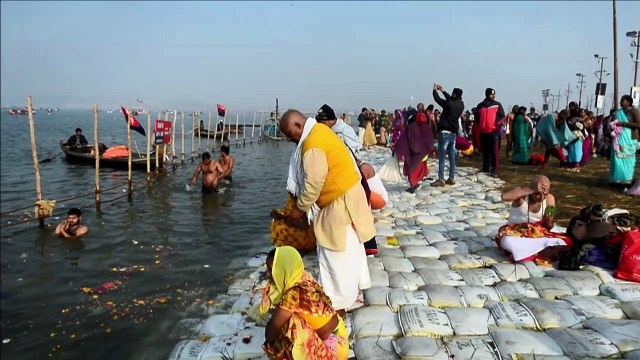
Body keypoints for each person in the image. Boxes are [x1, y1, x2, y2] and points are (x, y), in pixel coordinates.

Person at [279, 110, 375, 316]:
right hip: (348, 197)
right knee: (349, 250)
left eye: (289, 134)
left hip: (340, 204)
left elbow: (313, 184)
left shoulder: (312, 144)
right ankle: (348, 295)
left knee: (335, 255)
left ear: (298, 126)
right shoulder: (320, 131)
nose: (288, 139)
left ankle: (338, 305)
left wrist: (299, 210)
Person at [260, 247, 348, 359]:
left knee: (288, 326)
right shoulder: (304, 277)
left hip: (332, 350)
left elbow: (273, 327)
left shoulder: (293, 294)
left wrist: (271, 346)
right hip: (340, 335)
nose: (268, 274)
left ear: (284, 269)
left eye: (271, 269)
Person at [496, 175, 573, 263]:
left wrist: (549, 223)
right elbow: (504, 196)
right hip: (515, 233)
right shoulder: (521, 197)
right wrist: (531, 189)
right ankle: (539, 250)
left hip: (536, 234)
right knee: (506, 241)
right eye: (537, 194)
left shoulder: (549, 198)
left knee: (563, 242)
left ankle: (527, 251)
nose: (541, 197)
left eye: (545, 194)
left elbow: (548, 226)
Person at [395, 103, 435, 193]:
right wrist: (431, 151)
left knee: (412, 169)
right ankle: (415, 182)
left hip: (412, 152)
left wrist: (398, 148)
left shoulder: (411, 127)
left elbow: (404, 138)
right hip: (422, 153)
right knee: (419, 168)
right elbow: (430, 141)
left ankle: (412, 184)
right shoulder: (427, 128)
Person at [431, 84, 465, 187]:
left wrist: (435, 90)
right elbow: (451, 100)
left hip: (444, 131)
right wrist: (443, 91)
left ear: (454, 94)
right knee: (451, 156)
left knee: (441, 156)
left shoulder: (448, 104)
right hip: (453, 133)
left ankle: (441, 179)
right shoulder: (461, 105)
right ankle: (451, 177)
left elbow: (437, 99)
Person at [474, 88, 506, 177]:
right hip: (483, 132)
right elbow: (477, 118)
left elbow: (503, 116)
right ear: (487, 94)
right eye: (492, 94)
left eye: (494, 94)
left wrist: (497, 123)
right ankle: (485, 168)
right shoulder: (480, 106)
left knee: (494, 151)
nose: (493, 96)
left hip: (493, 132)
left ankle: (494, 169)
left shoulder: (497, 105)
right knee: (485, 151)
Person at [609, 95, 640, 185]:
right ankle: (616, 178)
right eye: (621, 100)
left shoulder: (634, 111)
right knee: (617, 156)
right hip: (618, 138)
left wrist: (623, 123)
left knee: (627, 158)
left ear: (629, 102)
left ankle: (626, 178)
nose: (621, 102)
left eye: (623, 100)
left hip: (629, 138)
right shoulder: (618, 112)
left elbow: (638, 124)